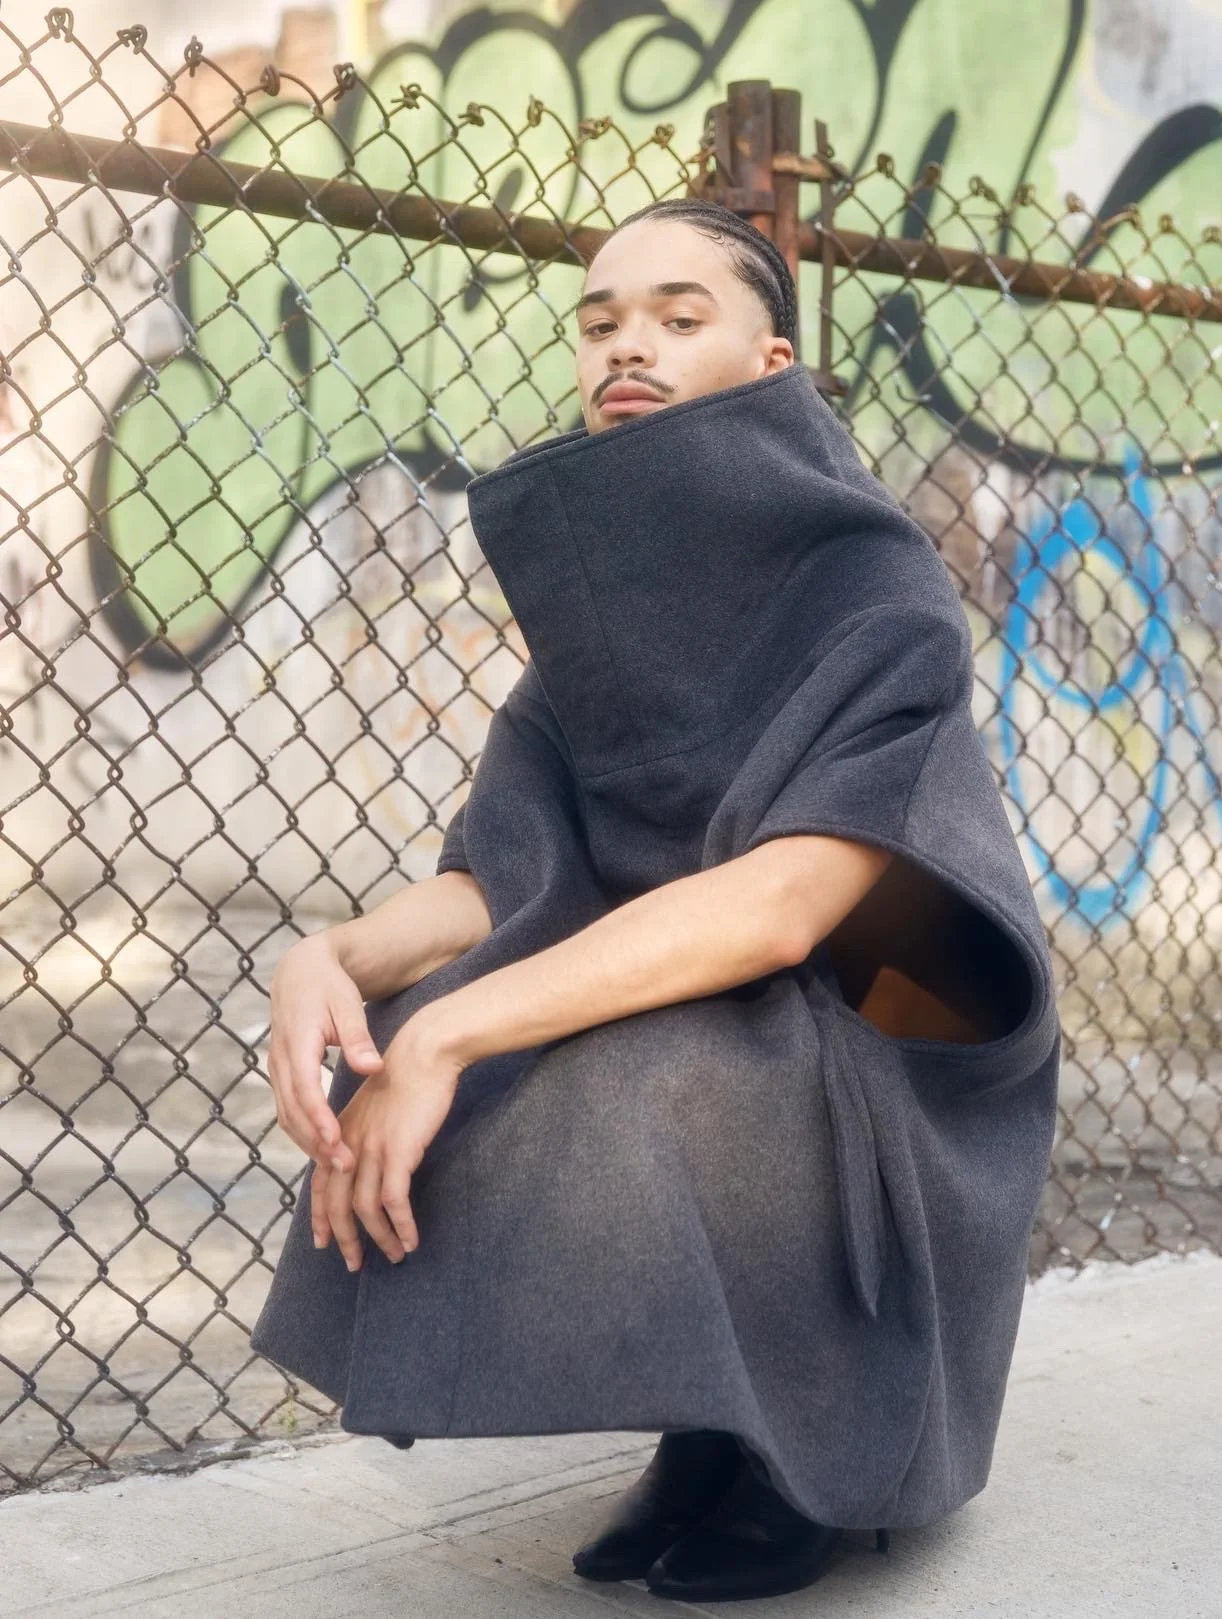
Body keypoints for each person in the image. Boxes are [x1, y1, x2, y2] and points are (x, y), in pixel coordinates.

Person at [252, 196, 1060, 1604]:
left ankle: (811, 1448)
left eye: (682, 319)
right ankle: (716, 1415)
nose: (630, 345)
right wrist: (330, 954)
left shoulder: (877, 585)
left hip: (899, 1043)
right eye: (603, 320)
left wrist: (454, 1041)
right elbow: (495, 877)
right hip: (744, 1009)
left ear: (771, 364)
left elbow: (787, 909)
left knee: (645, 1067)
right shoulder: (600, 621)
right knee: (433, 1016)